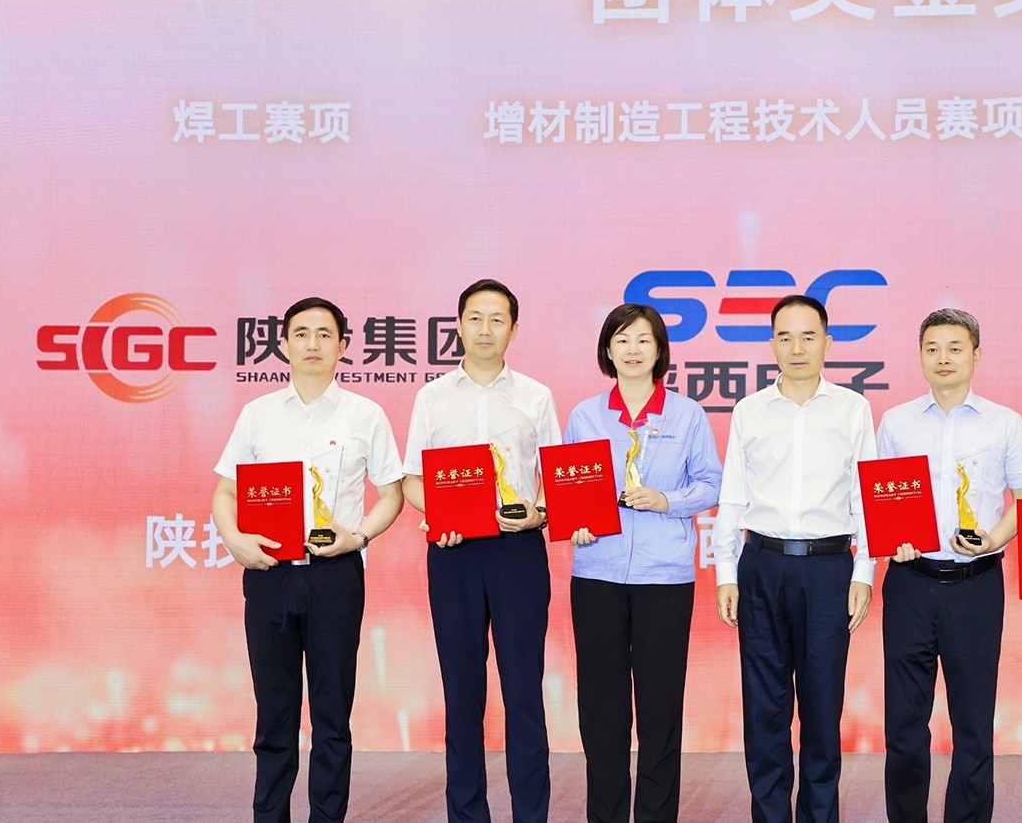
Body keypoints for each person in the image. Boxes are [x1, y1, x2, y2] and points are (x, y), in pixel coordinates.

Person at [211, 296, 406, 823]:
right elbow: (225, 490)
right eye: (301, 333)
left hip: (335, 576)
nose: (312, 343)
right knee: (274, 716)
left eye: (324, 334)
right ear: (282, 345)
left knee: (332, 716)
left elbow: (391, 494)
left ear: (343, 346)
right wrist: (233, 539)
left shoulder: (366, 414)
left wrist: (358, 537)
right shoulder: (257, 414)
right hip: (269, 575)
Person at [712, 294, 876, 823]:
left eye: (808, 336)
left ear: (828, 343)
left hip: (829, 569)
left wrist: (864, 571)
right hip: (760, 565)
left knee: (823, 709)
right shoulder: (750, 410)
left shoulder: (852, 409)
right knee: (764, 708)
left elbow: (866, 498)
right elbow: (733, 495)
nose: (797, 347)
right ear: (771, 345)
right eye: (785, 337)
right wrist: (725, 572)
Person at [402, 279, 560, 823]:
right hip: (454, 552)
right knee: (462, 692)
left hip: (518, 552)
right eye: (475, 318)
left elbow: (554, 475)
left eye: (497, 319)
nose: (485, 329)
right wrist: (440, 514)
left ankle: (530, 814)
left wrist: (540, 512)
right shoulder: (432, 397)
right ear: (458, 326)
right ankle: (467, 814)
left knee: (523, 691)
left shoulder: (536, 396)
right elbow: (412, 478)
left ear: (514, 330)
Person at [876, 309, 1022, 823]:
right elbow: (880, 496)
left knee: (973, 724)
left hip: (976, 587)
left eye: (954, 348)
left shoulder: (1004, 422)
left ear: (976, 355)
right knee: (904, 725)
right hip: (910, 583)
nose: (942, 358)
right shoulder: (896, 422)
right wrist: (892, 541)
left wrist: (992, 538)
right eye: (932, 348)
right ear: (920, 355)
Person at [564, 303, 723, 823]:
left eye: (643, 340)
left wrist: (666, 501)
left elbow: (712, 484)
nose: (632, 350)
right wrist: (575, 521)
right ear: (607, 350)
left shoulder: (687, 414)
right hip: (598, 574)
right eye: (622, 339)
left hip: (664, 578)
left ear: (660, 351)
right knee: (601, 709)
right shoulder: (585, 415)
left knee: (660, 708)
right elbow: (568, 488)